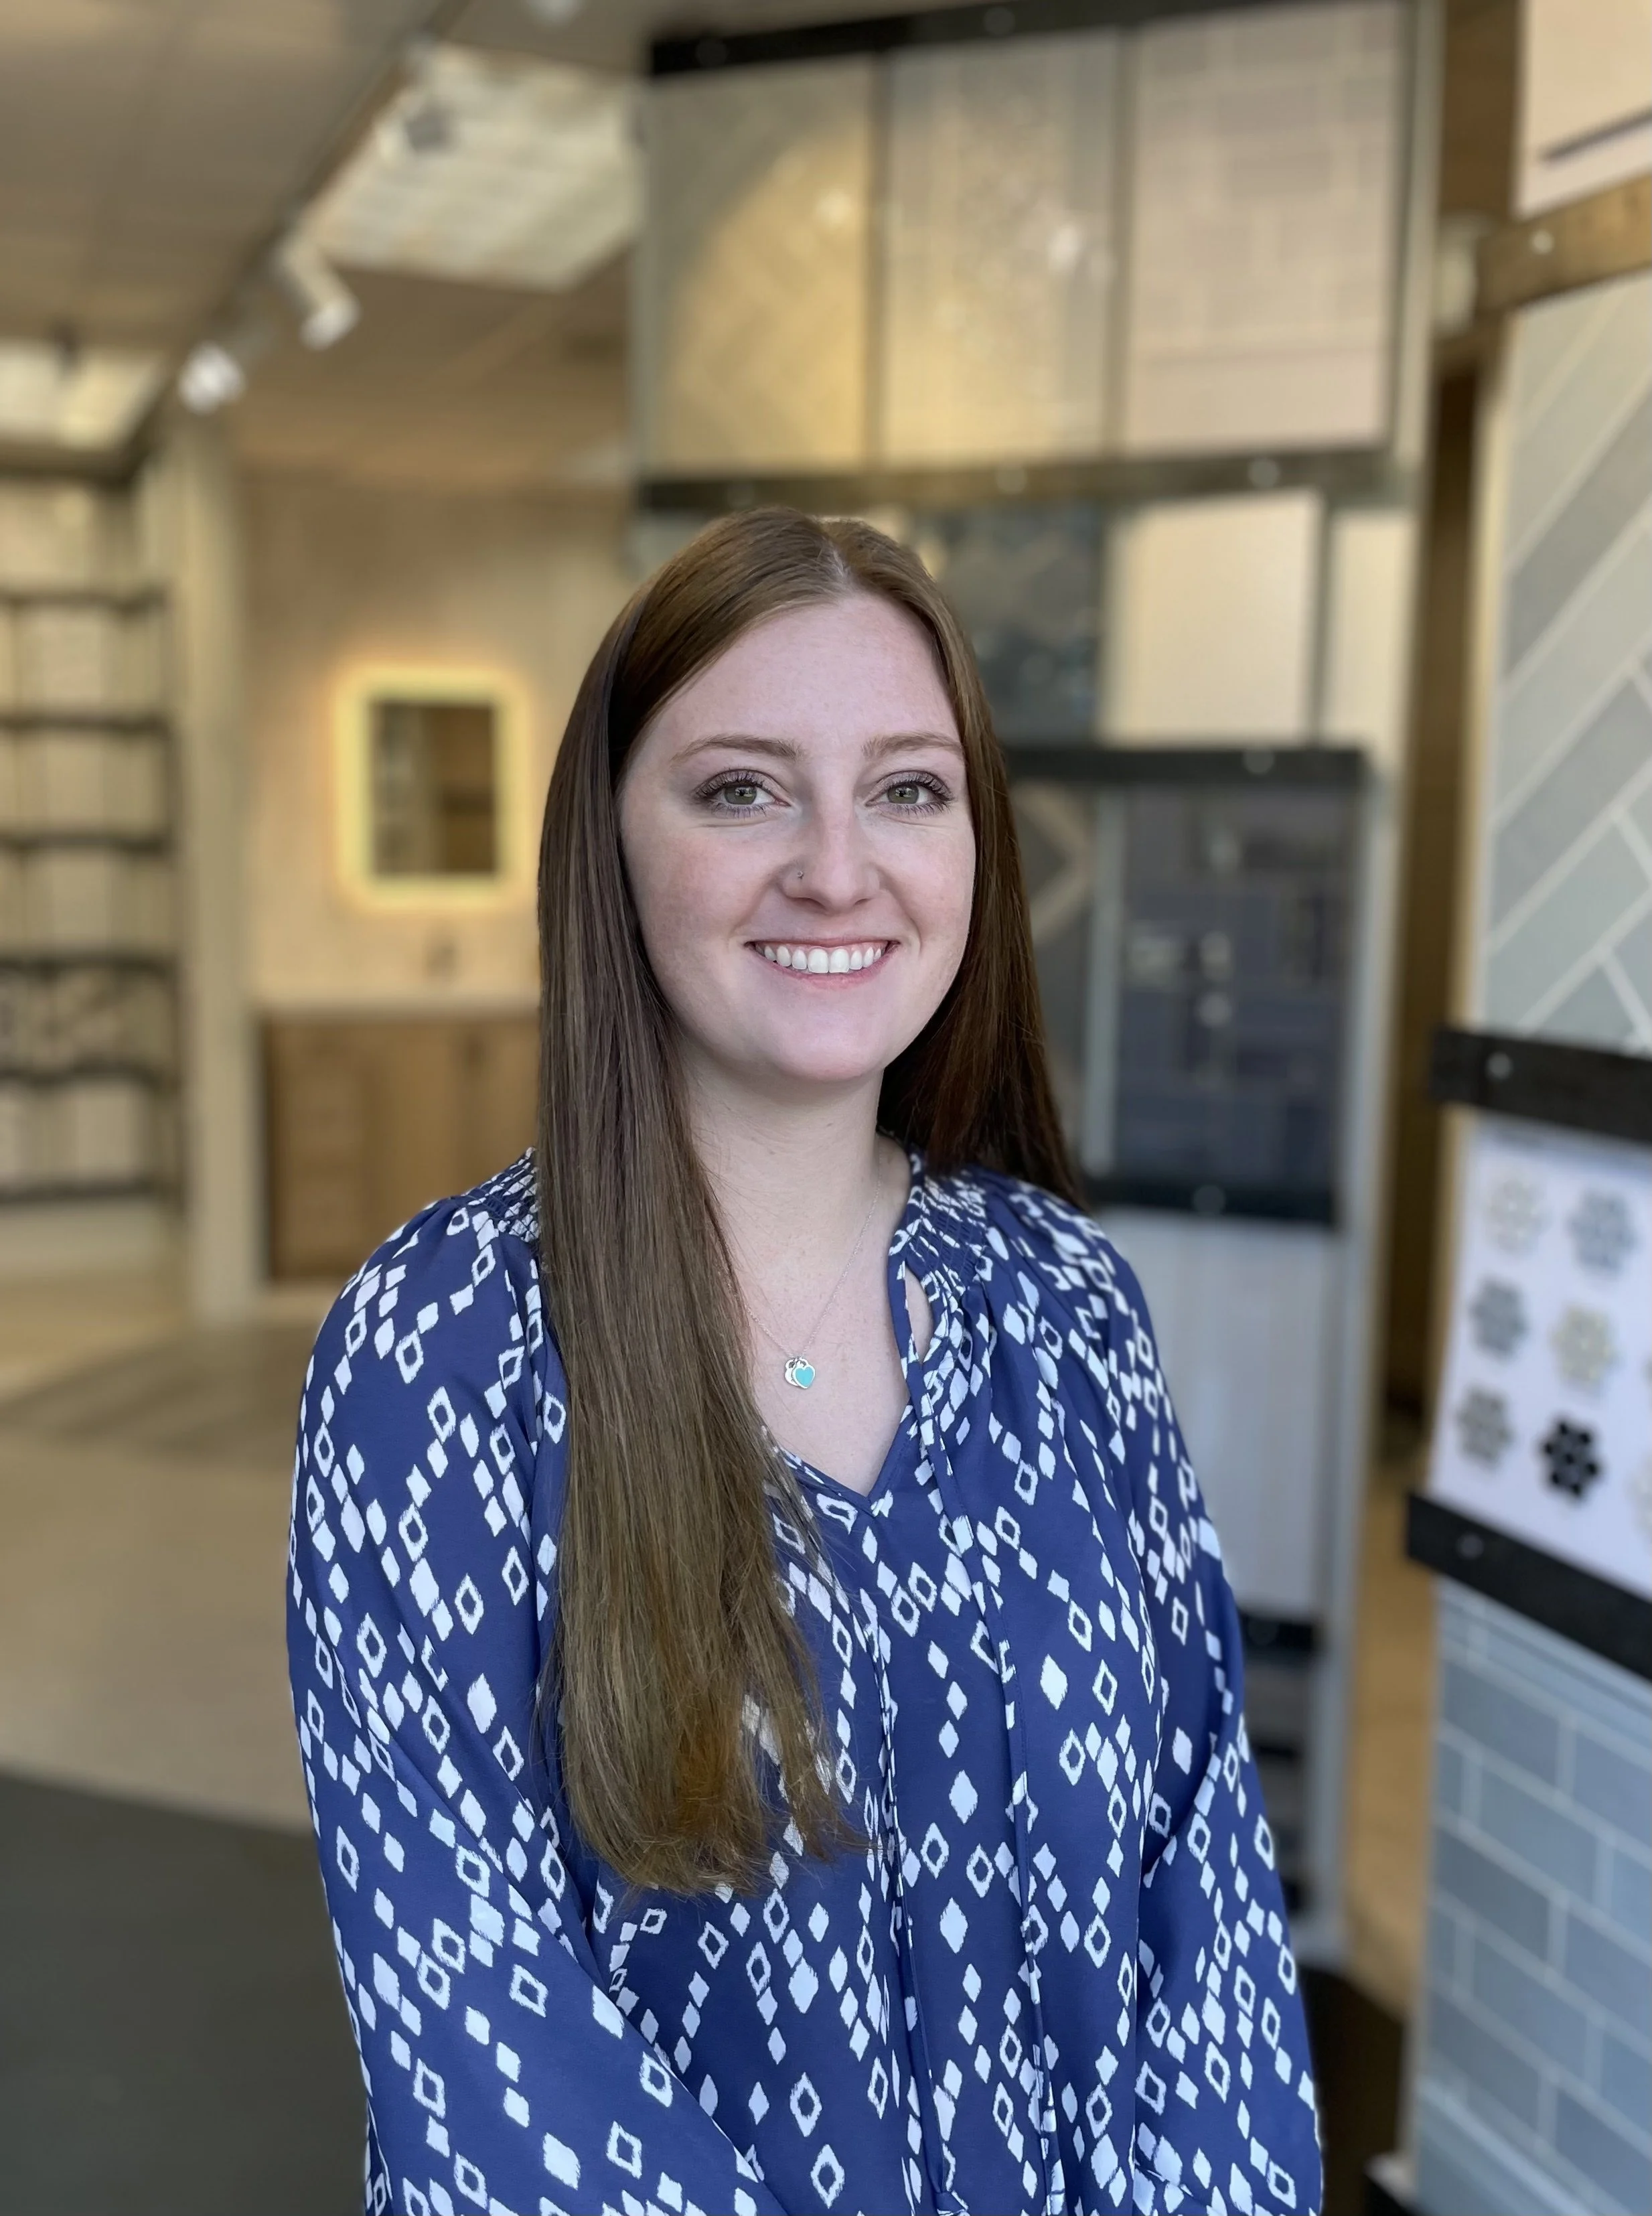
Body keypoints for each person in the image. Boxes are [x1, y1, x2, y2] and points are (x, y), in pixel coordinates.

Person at [287, 508, 1321, 2216]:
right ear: (610, 836)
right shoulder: (442, 1348)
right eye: (743, 787)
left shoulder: (1066, 1307)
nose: (839, 868)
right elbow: (480, 2035)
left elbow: (1200, 1900)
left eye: (908, 789)